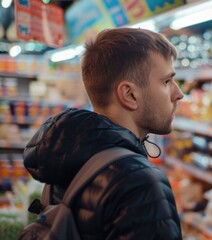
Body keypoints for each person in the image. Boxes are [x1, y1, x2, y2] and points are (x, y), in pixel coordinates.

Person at [23, 28, 184, 239]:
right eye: (166, 82)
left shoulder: (69, 155)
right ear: (129, 94)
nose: (178, 94)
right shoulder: (140, 182)